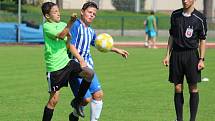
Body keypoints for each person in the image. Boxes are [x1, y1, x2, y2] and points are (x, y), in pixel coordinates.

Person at [68, 1, 129, 121]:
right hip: (75, 67)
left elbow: (100, 44)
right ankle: (74, 115)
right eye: (89, 12)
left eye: (94, 14)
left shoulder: (90, 31)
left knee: (98, 94)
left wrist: (116, 50)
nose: (91, 15)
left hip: (88, 68)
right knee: (85, 100)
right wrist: (80, 59)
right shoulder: (76, 25)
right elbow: (70, 45)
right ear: (82, 12)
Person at [41, 2, 94, 121]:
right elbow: (60, 35)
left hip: (67, 62)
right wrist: (71, 22)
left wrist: (69, 38)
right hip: (55, 68)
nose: (58, 13)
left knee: (89, 73)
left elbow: (66, 43)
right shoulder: (47, 26)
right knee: (54, 101)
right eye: (54, 12)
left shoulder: (63, 24)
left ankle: (77, 102)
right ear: (47, 16)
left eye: (58, 10)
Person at [162, 0, 207, 121]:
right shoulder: (175, 15)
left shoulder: (200, 18)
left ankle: (192, 119)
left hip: (191, 55)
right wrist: (167, 55)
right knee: (177, 87)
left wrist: (201, 59)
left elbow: (202, 40)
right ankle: (179, 119)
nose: (185, 1)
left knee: (193, 87)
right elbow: (171, 36)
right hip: (176, 55)